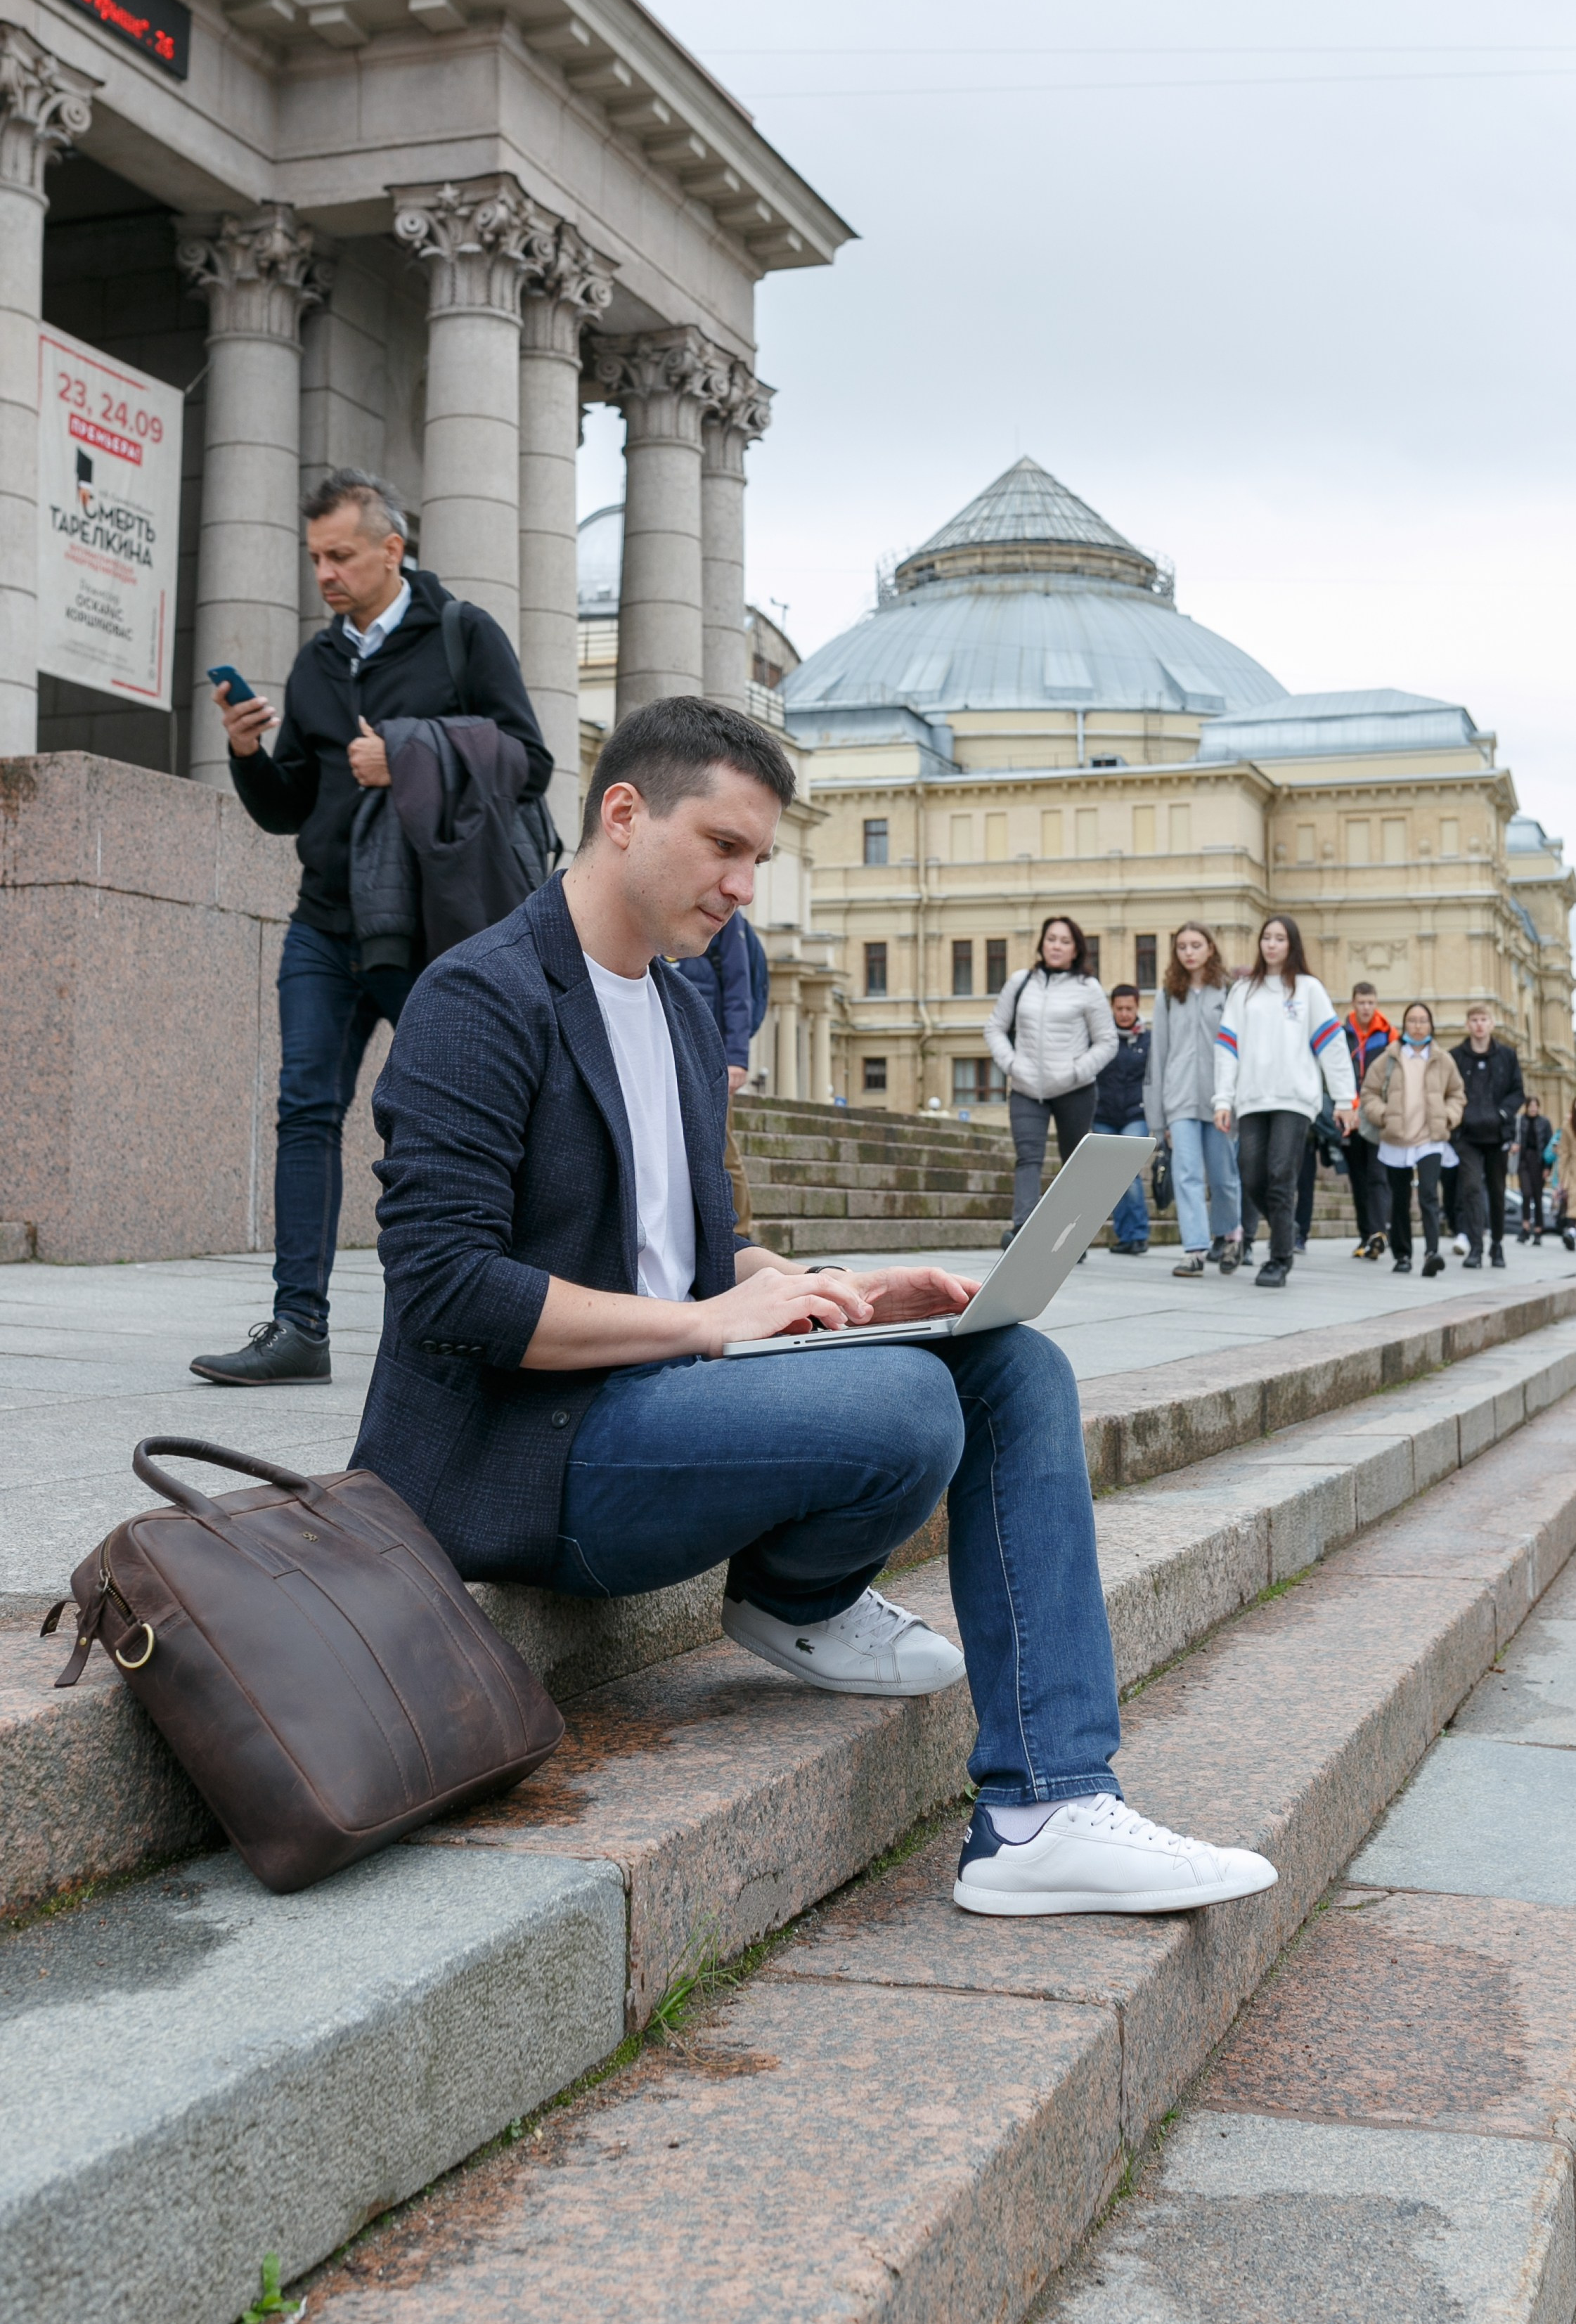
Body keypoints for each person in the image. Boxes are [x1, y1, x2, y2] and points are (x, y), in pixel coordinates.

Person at [353, 695, 1277, 1920]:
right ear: (622, 814)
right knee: (903, 1405)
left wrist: (813, 1290)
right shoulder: (479, 995)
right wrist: (704, 1325)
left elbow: (674, 1246)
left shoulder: (681, 1003)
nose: (742, 885)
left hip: (653, 1399)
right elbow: (445, 1290)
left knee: (1009, 1363)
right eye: (722, 846)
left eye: (758, 859)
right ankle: (799, 1593)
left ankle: (1044, 1807)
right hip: (524, 1455)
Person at [191, 467, 550, 1388]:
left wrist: (411, 753)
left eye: (341, 554)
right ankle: (297, 1323)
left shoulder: (463, 634)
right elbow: (288, 807)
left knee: (440, 1122)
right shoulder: (316, 662)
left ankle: (475, 1315)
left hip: (432, 924)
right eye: (315, 557)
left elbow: (531, 761)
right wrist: (243, 750)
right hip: (326, 918)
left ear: (393, 549)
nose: (325, 573)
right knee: (306, 1107)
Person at [1213, 915, 1357, 1290]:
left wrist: (1344, 1098)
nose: (1272, 944)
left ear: (1292, 944)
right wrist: (1222, 1098)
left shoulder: (1308, 989)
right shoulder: (1243, 991)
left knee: (1280, 1174)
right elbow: (1227, 1048)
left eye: (1280, 938)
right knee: (1251, 1173)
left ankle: (1279, 1258)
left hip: (1295, 1099)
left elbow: (1332, 1045)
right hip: (1251, 1098)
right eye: (1267, 938)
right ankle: (1284, 1223)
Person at [986, 916, 1117, 1248]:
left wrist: (1077, 1070)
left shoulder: (1088, 988)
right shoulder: (1020, 982)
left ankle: (1071, 1238)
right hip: (1027, 1089)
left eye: (1064, 941)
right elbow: (995, 1028)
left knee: (1074, 1163)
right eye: (1051, 939)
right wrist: (1013, 1064)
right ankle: (1023, 1230)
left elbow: (1107, 1041)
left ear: (1076, 949)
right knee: (1028, 1157)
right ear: (1042, 944)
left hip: (1075, 1089)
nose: (1056, 946)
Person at [1142, 923, 1241, 1279]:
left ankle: (1231, 1236)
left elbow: (1239, 1048)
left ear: (1210, 949)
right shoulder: (1169, 994)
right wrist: (1159, 1119)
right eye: (1182, 946)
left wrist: (1236, 1100)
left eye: (1196, 945)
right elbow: (1159, 1056)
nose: (1189, 952)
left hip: (1221, 1100)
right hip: (1179, 1099)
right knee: (1186, 1174)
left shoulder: (1229, 992)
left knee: (1223, 1174)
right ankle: (1195, 1250)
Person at [1359, 1002, 1464, 1277]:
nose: (1418, 1026)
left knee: (1430, 1194)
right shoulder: (1389, 1058)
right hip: (1396, 1138)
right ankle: (1403, 1255)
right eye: (1412, 1021)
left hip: (1430, 1138)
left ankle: (1432, 1252)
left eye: (1423, 1021)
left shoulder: (1443, 1060)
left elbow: (1457, 1093)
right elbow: (1369, 1092)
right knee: (1400, 1199)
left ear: (1431, 1025)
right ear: (1405, 1025)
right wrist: (1383, 1115)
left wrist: (1449, 1117)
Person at [671, 912, 758, 1235]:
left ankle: (741, 1236)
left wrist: (736, 1058)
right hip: (665, 1037)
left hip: (708, 1051)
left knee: (721, 1147)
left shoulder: (725, 915)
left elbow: (739, 989)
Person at [1449, 1005, 1524, 1270]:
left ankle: (1497, 1245)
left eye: (1484, 1020)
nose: (1479, 1025)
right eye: (1475, 1020)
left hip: (1497, 1135)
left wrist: (1502, 1113)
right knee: (1470, 1189)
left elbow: (1518, 1092)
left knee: (1497, 1190)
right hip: (1467, 1136)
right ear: (1468, 1024)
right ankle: (1476, 1247)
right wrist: (1456, 1118)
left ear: (1492, 1024)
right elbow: (1447, 1090)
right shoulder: (1455, 1057)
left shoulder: (1507, 1056)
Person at [1094, 984, 1151, 1255]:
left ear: (1137, 1007)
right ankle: (1125, 1236)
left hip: (1136, 1115)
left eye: (1129, 1008)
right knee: (1111, 1179)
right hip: (1104, 1116)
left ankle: (1139, 1234)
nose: (1125, 1014)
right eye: (1119, 1009)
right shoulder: (1102, 1040)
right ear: (1112, 1008)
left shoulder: (1148, 1040)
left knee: (1129, 1172)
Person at [1342, 983, 1396, 1260]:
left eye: (1370, 1002)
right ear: (1353, 1003)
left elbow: (1395, 1075)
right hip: (1349, 1117)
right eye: (1361, 1002)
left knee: (1378, 1175)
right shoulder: (1343, 1035)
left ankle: (1378, 1233)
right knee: (1358, 1177)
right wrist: (1348, 1107)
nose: (1366, 1008)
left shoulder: (1388, 1034)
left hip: (1377, 1116)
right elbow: (1338, 1072)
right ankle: (1366, 1236)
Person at [1515, 1097, 1553, 1246]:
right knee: (1526, 1193)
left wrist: (1548, 1167)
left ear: (1539, 1107)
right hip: (1523, 1160)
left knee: (1538, 1196)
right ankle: (1525, 1228)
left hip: (1539, 1162)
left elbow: (1550, 1147)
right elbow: (1513, 1137)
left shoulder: (1544, 1122)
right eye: (1530, 1105)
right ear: (1526, 1107)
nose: (1533, 1108)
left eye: (1535, 1106)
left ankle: (1538, 1230)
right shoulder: (1520, 1121)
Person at [1556, 1104, 1576, 1252]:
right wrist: (1562, 1178)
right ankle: (1571, 1231)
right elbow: (1564, 1153)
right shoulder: (1568, 1125)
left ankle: (1572, 1232)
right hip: (1573, 1170)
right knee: (1573, 1202)